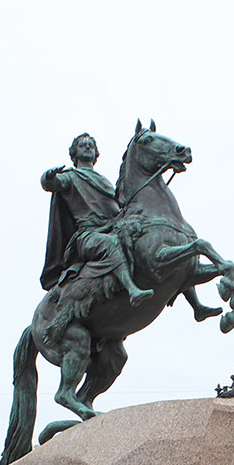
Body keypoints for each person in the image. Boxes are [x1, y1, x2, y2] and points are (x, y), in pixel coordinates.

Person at [40, 133, 153, 340]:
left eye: (91, 145)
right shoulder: (71, 177)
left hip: (111, 227)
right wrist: (48, 177)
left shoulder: (104, 181)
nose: (87, 147)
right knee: (110, 244)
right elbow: (51, 184)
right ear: (74, 153)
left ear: (96, 153)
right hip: (88, 235)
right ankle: (132, 289)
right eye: (82, 145)